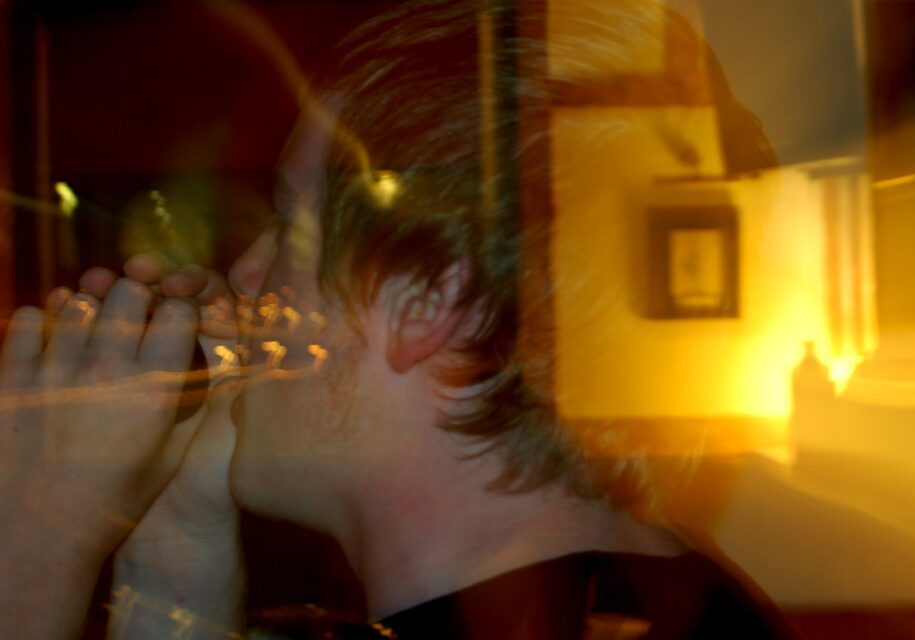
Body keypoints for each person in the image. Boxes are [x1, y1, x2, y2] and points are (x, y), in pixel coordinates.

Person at [0, 1, 793, 637]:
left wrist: (33, 545)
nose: (245, 275)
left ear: (425, 301)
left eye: (292, 231)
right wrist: (179, 531)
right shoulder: (649, 600)